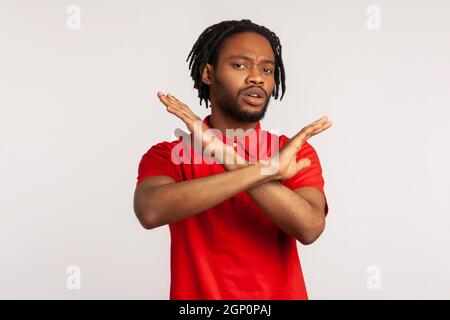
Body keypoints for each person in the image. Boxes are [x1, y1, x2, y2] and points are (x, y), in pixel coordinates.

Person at [133, 19, 332, 300]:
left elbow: (309, 227)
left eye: (267, 69)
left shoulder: (293, 152)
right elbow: (150, 211)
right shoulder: (169, 154)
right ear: (208, 74)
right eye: (240, 65)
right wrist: (268, 170)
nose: (257, 78)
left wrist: (222, 152)